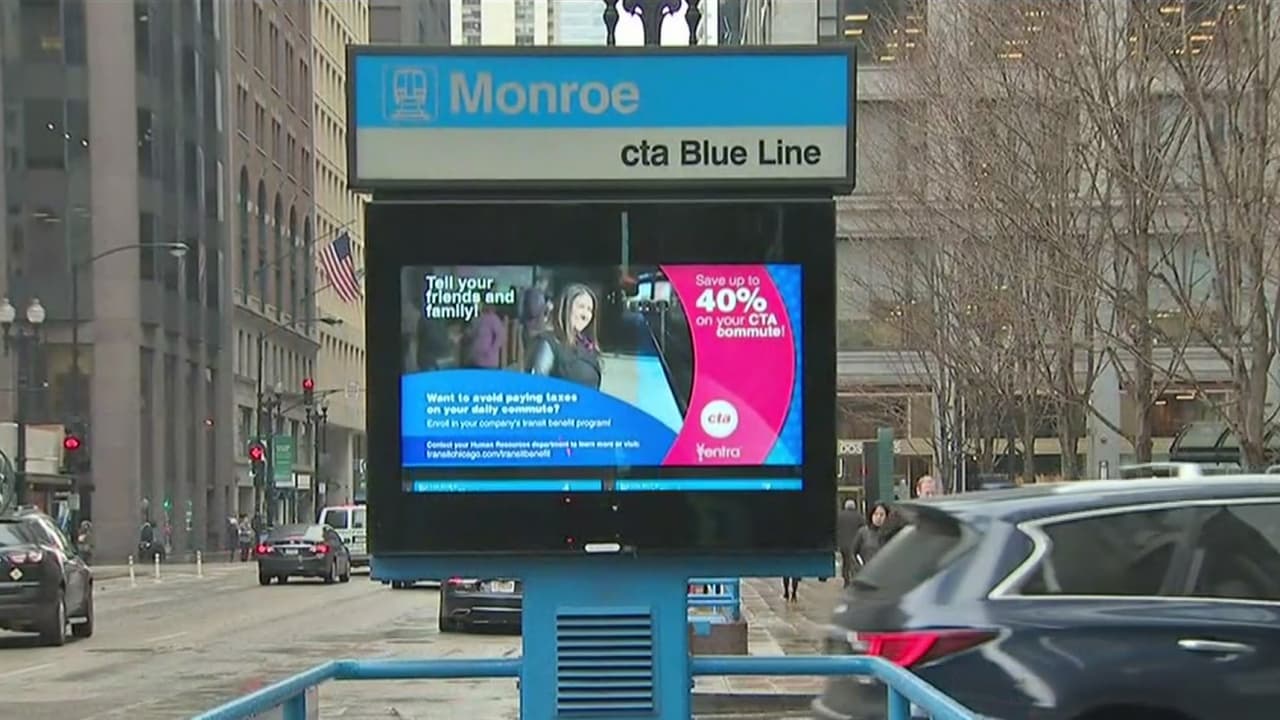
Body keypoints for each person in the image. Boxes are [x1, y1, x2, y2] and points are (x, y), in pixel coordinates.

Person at [526, 283, 602, 389]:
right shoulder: (549, 343)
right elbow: (535, 386)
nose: (585, 315)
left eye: (590, 310)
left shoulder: (586, 345)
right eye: (581, 307)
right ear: (566, 308)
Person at [461, 303, 506, 369]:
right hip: (476, 359)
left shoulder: (494, 319)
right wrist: (465, 334)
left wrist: (491, 350)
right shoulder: (476, 319)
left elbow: (500, 336)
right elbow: (471, 333)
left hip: (489, 360)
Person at [850, 502, 891, 572]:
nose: (878, 517)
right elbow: (853, 553)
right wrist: (859, 567)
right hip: (866, 571)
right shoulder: (863, 532)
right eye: (876, 514)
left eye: (881, 515)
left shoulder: (890, 533)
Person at [836, 499, 864, 588]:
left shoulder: (839, 516)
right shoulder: (859, 516)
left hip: (843, 544)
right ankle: (854, 579)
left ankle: (846, 580)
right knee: (853, 562)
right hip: (854, 543)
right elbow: (863, 528)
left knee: (845, 562)